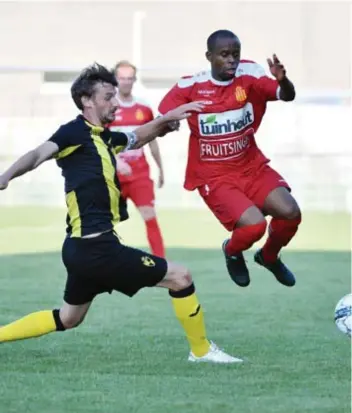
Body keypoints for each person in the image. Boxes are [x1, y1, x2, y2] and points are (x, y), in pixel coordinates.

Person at [0, 63, 241, 364]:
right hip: (96, 248)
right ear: (87, 100)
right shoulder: (72, 132)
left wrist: (166, 120)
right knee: (181, 276)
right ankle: (202, 351)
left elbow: (137, 137)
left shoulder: (103, 137)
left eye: (115, 96)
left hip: (79, 248)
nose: (115, 102)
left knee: (68, 318)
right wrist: (6, 176)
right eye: (108, 97)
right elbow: (38, 154)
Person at [158, 30, 301, 288]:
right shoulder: (191, 85)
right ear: (209, 57)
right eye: (224, 55)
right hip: (214, 176)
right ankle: (232, 251)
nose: (231, 60)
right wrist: (171, 122)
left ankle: (269, 257)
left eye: (236, 54)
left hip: (250, 166)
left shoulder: (251, 75)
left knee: (290, 212)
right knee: (254, 226)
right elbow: (164, 112)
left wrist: (284, 80)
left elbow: (287, 95)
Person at [108, 60, 165, 258]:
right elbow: (99, 142)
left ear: (134, 80)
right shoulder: (107, 108)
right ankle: (102, 261)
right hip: (112, 176)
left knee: (150, 216)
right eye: (121, 78)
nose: (125, 82)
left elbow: (152, 142)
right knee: (104, 222)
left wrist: (160, 169)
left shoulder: (144, 109)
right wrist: (116, 161)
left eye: (129, 78)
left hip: (139, 173)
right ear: (115, 80)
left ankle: (162, 264)